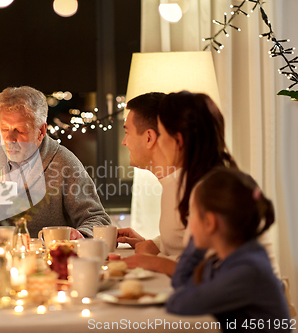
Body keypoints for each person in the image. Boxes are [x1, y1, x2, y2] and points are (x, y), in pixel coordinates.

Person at [0, 86, 111, 239]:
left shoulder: (65, 163)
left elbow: (98, 220)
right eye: (5, 129)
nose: (10, 139)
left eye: (20, 131)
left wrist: (81, 234)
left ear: (41, 131)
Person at [117, 91, 237, 276]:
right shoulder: (178, 184)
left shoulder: (202, 190)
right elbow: (185, 243)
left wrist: (155, 259)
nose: (124, 142)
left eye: (163, 134)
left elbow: (214, 269)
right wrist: (154, 244)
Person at [166, 168, 290, 332]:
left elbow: (181, 303)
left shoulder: (247, 270)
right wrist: (197, 241)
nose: (189, 222)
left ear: (210, 222)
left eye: (192, 214)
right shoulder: (224, 261)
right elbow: (181, 284)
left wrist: (195, 239)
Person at [120, 92, 189, 259]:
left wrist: (155, 258)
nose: (124, 141)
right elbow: (181, 245)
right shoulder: (170, 183)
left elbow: (210, 265)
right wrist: (150, 244)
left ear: (149, 137)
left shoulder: (192, 188)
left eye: (127, 132)